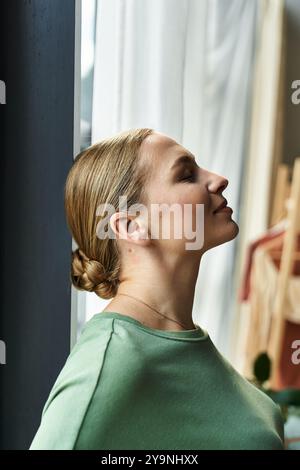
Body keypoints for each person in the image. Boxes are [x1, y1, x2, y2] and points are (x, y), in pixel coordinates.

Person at [29, 128, 284, 450]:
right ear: (132, 226)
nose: (219, 179)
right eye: (187, 175)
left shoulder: (183, 340)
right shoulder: (111, 361)